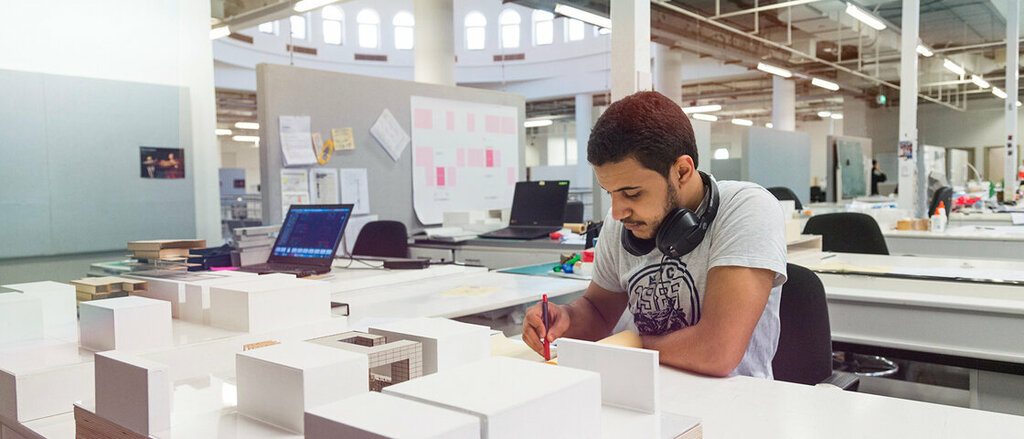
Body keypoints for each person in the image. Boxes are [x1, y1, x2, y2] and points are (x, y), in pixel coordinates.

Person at [521, 91, 787, 378]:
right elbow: (598, 312)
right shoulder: (622, 222)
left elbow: (717, 352)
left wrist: (628, 343)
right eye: (610, 193)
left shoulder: (746, 209)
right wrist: (567, 319)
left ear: (682, 172)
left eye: (632, 193)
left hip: (732, 405)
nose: (618, 211)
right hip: (639, 388)